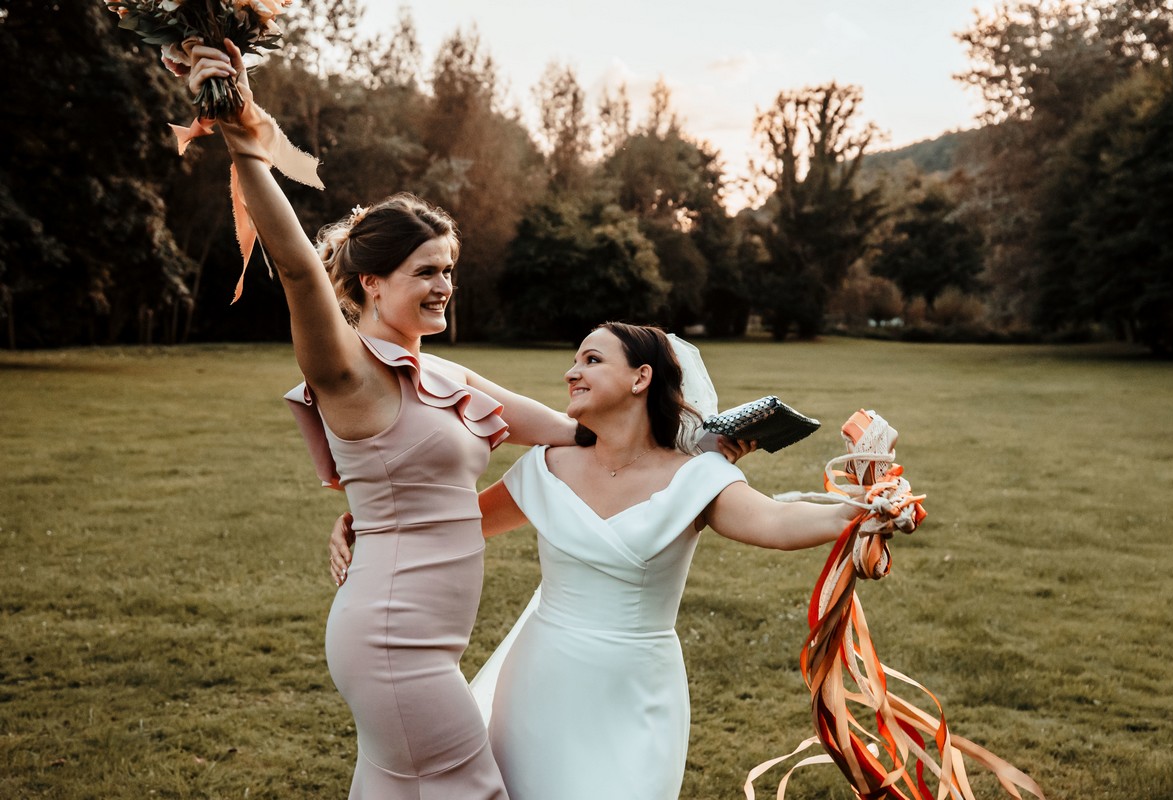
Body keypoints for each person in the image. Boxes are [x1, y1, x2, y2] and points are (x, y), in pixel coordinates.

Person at [184, 42, 583, 799]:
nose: (445, 287)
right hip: (394, 644)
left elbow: (569, 432)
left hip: (420, 636)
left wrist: (698, 436)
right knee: (476, 789)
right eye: (426, 271)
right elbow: (299, 266)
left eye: (449, 270)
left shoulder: (446, 376)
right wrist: (242, 136)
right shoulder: (348, 373)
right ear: (371, 281)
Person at [328, 323, 920, 800]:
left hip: (636, 691)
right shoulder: (546, 465)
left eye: (590, 360)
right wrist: (363, 523)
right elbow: (450, 526)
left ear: (641, 377)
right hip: (538, 682)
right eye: (574, 361)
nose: (571, 372)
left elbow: (775, 521)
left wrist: (866, 513)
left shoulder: (699, 477)